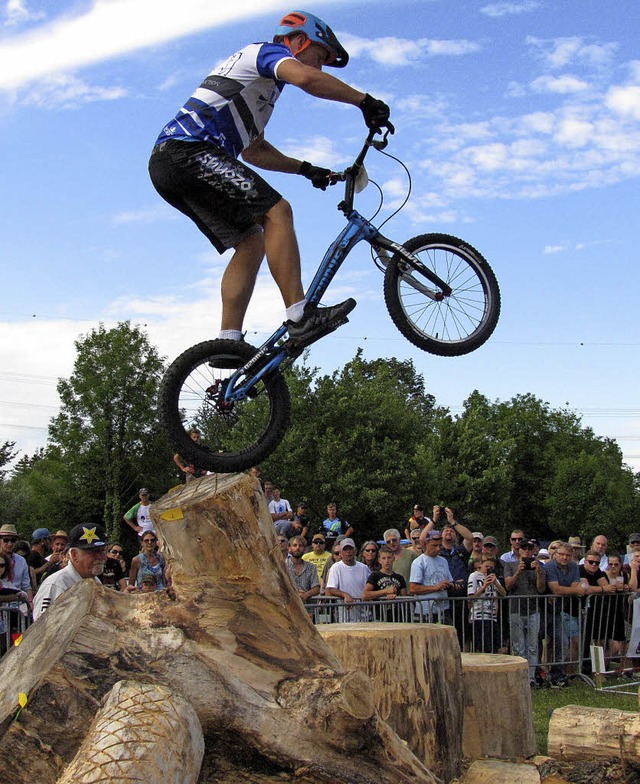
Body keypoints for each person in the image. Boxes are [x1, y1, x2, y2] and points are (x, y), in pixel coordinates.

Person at [149, 10, 392, 349]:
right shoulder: (265, 52)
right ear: (298, 40)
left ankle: (227, 343)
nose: (317, 67)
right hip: (188, 151)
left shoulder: (259, 92)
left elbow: (255, 152)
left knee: (252, 242)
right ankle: (300, 316)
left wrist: (307, 169)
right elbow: (306, 80)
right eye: (319, 56)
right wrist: (364, 102)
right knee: (278, 211)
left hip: (172, 163)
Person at [33, 524, 109, 620]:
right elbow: (42, 626)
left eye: (103, 551)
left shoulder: (95, 581)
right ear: (74, 554)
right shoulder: (56, 584)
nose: (101, 557)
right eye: (94, 552)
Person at [544, 541, 587, 687]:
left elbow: (576, 585)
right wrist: (574, 590)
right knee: (536, 642)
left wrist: (572, 589)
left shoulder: (574, 567)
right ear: (555, 554)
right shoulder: (549, 567)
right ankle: (537, 673)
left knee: (562, 641)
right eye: (561, 554)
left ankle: (557, 674)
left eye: (568, 555)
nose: (564, 557)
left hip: (559, 611)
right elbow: (556, 589)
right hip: (543, 610)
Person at [503, 539, 546, 686]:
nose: (527, 551)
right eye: (524, 549)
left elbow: (541, 588)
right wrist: (518, 571)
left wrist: (539, 571)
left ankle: (531, 678)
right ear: (519, 550)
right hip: (516, 609)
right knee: (518, 646)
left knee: (533, 646)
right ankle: (519, 677)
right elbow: (508, 586)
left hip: (533, 610)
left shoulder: (539, 566)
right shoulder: (510, 565)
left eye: (530, 549)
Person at [409, 531, 453, 623]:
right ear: (426, 544)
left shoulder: (443, 561)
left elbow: (449, 581)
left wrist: (453, 585)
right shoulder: (419, 562)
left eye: (440, 545)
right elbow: (413, 588)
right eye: (434, 545)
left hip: (443, 610)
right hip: (425, 612)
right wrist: (437, 587)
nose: (438, 548)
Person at [325, 538, 371, 621]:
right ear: (341, 553)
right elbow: (331, 589)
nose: (348, 552)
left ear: (355, 551)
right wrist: (345, 595)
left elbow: (371, 587)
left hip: (365, 615)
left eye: (350, 549)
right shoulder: (335, 568)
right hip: (345, 616)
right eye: (345, 549)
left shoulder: (364, 568)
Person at [467, 556, 506, 653]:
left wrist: (496, 583)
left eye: (491, 567)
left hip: (492, 617)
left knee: (495, 647)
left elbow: (504, 594)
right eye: (487, 567)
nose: (488, 569)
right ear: (480, 565)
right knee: (482, 647)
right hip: (478, 616)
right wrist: (484, 586)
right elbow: (470, 598)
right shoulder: (474, 576)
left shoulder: (494, 577)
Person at [363, 544, 407, 621]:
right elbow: (365, 595)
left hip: (398, 617)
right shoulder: (375, 576)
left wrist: (396, 597)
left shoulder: (399, 578)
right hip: (379, 617)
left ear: (394, 559)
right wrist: (385, 591)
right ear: (379, 560)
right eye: (384, 558)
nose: (387, 561)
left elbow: (405, 597)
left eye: (389, 558)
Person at [286, 535, 320, 603]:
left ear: (304, 549)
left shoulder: (311, 567)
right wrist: (295, 593)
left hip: (307, 608)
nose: (297, 548)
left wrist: (306, 595)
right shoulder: (283, 566)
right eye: (294, 545)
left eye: (300, 545)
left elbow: (316, 588)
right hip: (289, 607)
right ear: (289, 548)